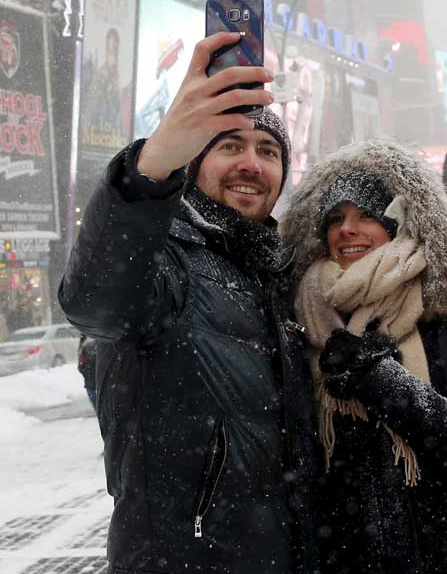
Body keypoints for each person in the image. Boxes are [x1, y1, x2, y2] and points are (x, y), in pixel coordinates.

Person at [58, 33, 319, 573]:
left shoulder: (284, 276)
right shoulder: (163, 260)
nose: (251, 163)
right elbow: (93, 300)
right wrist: (151, 167)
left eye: (268, 151)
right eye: (230, 146)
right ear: (195, 161)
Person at [279, 138, 447, 573]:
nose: (346, 229)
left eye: (365, 215)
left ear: (397, 226)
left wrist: (380, 379)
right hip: (351, 560)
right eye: (335, 219)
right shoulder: (305, 319)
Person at [76, 333, 98, 411]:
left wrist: (86, 372)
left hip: (90, 382)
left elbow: (80, 366)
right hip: (102, 381)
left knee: (98, 409)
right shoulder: (100, 342)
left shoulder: (83, 346)